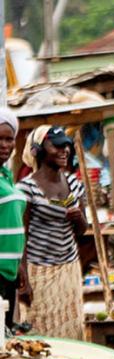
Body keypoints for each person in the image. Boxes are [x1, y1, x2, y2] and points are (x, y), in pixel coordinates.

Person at [17, 126, 87, 340]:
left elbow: (81, 231)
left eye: (66, 145)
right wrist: (24, 280)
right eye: (56, 145)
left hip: (69, 269)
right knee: (41, 328)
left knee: (72, 326)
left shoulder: (74, 184)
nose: (64, 150)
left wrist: (79, 219)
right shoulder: (26, 189)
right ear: (38, 149)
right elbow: (23, 237)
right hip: (40, 271)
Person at [0, 109, 25, 328]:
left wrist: (18, 266)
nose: (4, 145)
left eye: (9, 139)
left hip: (8, 273)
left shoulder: (6, 177)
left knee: (5, 339)